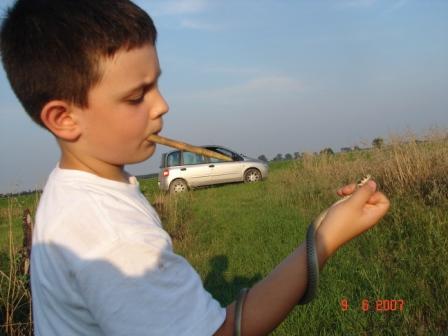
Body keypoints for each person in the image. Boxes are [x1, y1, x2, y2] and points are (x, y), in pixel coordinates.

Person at [0, 0, 390, 335]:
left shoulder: (71, 190)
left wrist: (323, 223)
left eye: (155, 84)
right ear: (64, 119)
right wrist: (324, 244)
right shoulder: (112, 236)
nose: (162, 105)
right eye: (137, 96)